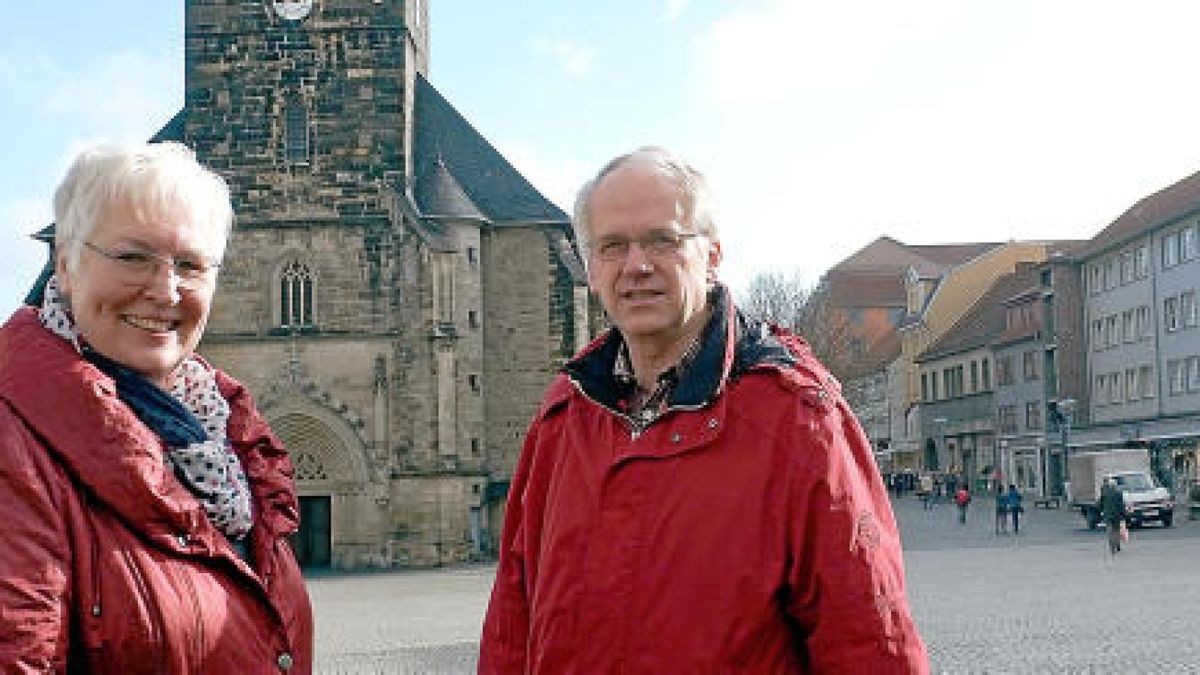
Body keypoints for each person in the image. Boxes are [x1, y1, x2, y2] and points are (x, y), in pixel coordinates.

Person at [478, 147, 928, 673]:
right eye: (612, 246)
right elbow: (512, 621)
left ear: (711, 256)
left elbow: (868, 640)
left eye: (662, 240)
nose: (636, 266)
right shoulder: (563, 415)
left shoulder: (796, 417)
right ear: (592, 270)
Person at [0, 142, 313, 673]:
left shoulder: (224, 437)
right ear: (66, 265)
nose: (165, 291)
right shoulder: (14, 440)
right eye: (132, 257)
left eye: (189, 264)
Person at [1099, 477, 1127, 555]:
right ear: (1115, 486)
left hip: (1108, 515)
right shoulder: (1118, 493)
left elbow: (1100, 504)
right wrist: (1124, 514)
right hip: (1117, 515)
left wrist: (1101, 511)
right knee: (1116, 531)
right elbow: (1121, 505)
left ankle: (1112, 547)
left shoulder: (1105, 493)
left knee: (1109, 531)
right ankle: (1117, 545)